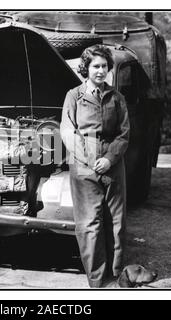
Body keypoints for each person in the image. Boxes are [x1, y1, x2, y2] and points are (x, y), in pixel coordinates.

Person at [60, 44, 130, 288]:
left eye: (104, 66)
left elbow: (123, 134)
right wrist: (91, 161)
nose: (100, 71)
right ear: (86, 69)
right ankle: (98, 282)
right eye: (95, 66)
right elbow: (68, 132)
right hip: (84, 168)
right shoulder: (74, 96)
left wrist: (109, 159)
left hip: (113, 166)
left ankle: (118, 275)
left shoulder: (117, 98)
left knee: (117, 222)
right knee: (90, 224)